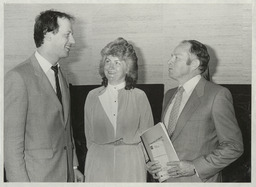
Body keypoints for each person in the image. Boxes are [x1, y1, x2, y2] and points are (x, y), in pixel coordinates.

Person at [146, 40, 244, 182]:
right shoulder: (168, 95)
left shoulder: (217, 95)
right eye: (171, 56)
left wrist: (195, 166)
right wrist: (154, 164)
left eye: (176, 57)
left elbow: (234, 146)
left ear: (195, 64)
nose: (169, 61)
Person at [4, 9, 84, 182]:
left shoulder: (62, 75)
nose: (73, 41)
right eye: (67, 35)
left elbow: (66, 127)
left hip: (66, 175)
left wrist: (73, 166)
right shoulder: (18, 78)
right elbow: (11, 145)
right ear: (48, 35)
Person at [83, 37, 154, 182]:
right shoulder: (92, 96)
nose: (110, 67)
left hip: (131, 162)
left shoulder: (140, 96)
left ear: (128, 68)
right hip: (98, 162)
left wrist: (146, 162)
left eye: (117, 62)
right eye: (107, 61)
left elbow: (148, 136)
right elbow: (89, 136)